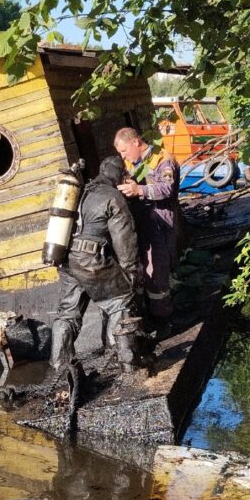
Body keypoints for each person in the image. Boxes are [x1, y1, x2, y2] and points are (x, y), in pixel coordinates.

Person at [50, 156, 145, 370]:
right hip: (91, 259)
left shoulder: (81, 191)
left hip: (66, 258)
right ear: (120, 175)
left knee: (68, 312)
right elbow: (125, 239)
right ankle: (122, 358)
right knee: (120, 300)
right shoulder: (113, 197)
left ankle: (60, 366)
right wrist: (130, 273)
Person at [113, 127, 180, 329]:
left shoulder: (162, 159)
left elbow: (167, 189)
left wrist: (138, 189)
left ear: (136, 142)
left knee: (156, 273)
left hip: (160, 221)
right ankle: (146, 317)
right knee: (139, 272)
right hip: (139, 223)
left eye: (124, 151)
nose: (123, 156)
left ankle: (163, 321)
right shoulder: (129, 163)